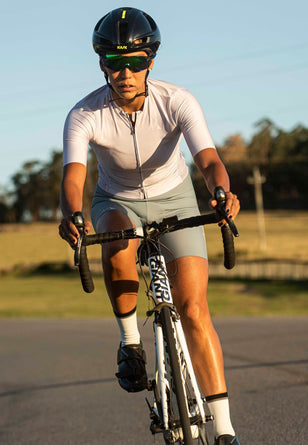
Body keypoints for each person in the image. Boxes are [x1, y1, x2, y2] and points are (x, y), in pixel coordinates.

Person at [59, 7, 240, 445]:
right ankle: (130, 344)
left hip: (175, 198)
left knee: (195, 310)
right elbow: (73, 177)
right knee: (120, 242)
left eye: (136, 62)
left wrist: (221, 193)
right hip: (116, 201)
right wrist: (73, 214)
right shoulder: (85, 114)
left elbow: (210, 160)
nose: (126, 72)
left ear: (150, 62)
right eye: (115, 62)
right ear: (102, 63)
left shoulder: (177, 101)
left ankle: (225, 431)